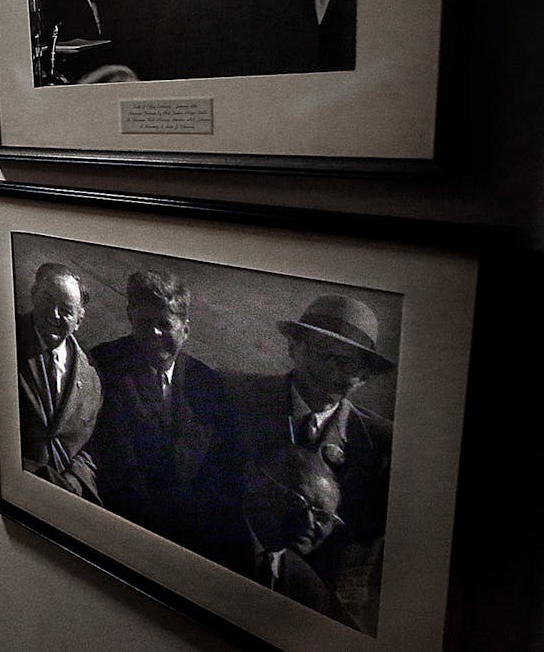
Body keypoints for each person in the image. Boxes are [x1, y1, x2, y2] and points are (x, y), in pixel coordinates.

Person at [215, 293, 394, 631]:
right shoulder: (233, 397)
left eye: (349, 364)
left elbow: (358, 569)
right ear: (293, 348)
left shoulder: (380, 446)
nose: (333, 371)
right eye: (322, 353)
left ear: (365, 377)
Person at [89, 270, 225, 544]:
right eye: (144, 323)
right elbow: (116, 464)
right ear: (130, 318)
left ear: (185, 329)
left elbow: (217, 467)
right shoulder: (105, 366)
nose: (154, 333)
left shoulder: (206, 382)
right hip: (124, 525)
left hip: (194, 531)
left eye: (164, 324)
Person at [203, 446, 360, 629]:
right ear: (257, 481)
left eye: (323, 517)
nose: (309, 523)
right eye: (297, 501)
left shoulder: (309, 584)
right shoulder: (204, 530)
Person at [17, 263, 103, 501]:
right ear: (34, 295)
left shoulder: (92, 378)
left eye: (66, 310)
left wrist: (74, 482)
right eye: (47, 300)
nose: (53, 314)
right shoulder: (5, 339)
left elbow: (90, 446)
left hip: (68, 498)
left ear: (78, 320)